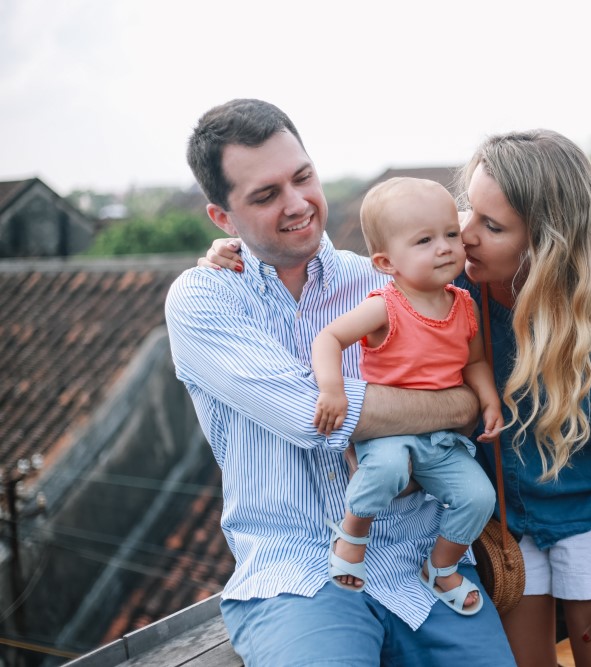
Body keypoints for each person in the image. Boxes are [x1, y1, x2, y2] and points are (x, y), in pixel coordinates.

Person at [202, 128, 591, 667]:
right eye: (468, 212)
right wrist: (234, 247)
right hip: (508, 517)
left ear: (545, 240)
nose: (465, 236)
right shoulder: (460, 267)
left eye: (492, 225)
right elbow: (394, 256)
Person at [167, 98, 516, 666]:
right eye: (265, 195)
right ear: (222, 219)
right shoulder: (206, 297)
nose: (297, 204)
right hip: (298, 573)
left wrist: (458, 404)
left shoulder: (384, 278)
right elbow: (311, 414)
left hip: (424, 565)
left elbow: (481, 354)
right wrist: (455, 407)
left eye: (302, 177)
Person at [312, 176, 501, 616]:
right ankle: (352, 534)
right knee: (386, 470)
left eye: (451, 234)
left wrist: (489, 400)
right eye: (424, 240)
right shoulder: (386, 306)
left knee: (479, 496)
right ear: (385, 261)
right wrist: (332, 389)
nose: (445, 247)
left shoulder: (463, 305)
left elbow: (473, 362)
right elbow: (328, 339)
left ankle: (441, 566)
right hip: (390, 434)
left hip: (442, 440)